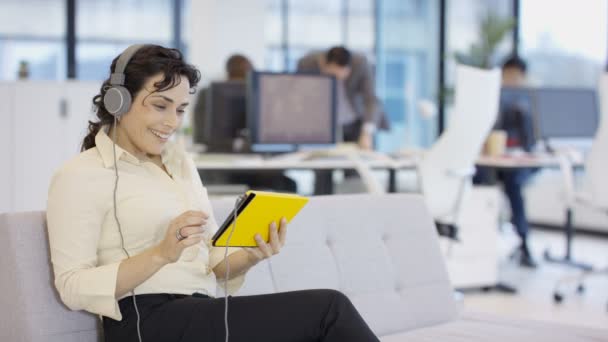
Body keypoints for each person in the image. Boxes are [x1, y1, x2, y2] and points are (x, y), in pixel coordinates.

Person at [46, 45, 378, 342]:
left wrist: (251, 255)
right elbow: (72, 286)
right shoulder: (80, 175)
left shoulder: (181, 164)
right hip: (145, 322)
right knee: (328, 309)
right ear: (119, 101)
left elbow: (215, 264)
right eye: (160, 105)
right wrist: (161, 253)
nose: (172, 122)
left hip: (201, 312)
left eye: (179, 109)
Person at [193, 54, 297, 193]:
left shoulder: (260, 93)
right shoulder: (209, 94)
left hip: (256, 163)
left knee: (287, 185)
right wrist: (238, 145)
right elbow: (201, 136)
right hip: (222, 162)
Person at [475, 55, 538, 268]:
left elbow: (534, 140)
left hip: (520, 163)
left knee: (514, 185)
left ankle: (524, 241)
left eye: (515, 76)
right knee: (478, 179)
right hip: (494, 161)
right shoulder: (493, 98)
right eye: (507, 75)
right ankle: (478, 241)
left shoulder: (531, 101)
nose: (511, 79)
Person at [297, 46, 389, 150]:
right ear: (324, 64)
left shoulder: (360, 64)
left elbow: (371, 100)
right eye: (333, 74)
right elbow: (302, 97)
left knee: (356, 160)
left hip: (353, 123)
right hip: (323, 124)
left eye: (341, 74)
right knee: (321, 161)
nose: (338, 78)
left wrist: (367, 133)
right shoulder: (307, 63)